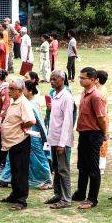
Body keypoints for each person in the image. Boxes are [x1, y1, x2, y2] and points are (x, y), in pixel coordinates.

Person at [0, 79, 36, 210]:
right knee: (15, 170)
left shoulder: (23, 103)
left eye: (12, 89)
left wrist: (22, 127)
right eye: (9, 88)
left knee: (21, 171)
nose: (9, 91)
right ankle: (15, 195)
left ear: (20, 91)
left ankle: (21, 200)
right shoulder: (15, 101)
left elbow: (31, 121)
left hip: (20, 141)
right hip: (13, 142)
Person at [72, 68, 107, 209]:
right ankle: (80, 192)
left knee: (93, 167)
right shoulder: (84, 93)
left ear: (92, 80)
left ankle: (92, 198)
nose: (80, 80)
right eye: (80, 77)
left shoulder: (96, 96)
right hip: (83, 133)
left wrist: (104, 134)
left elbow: (101, 118)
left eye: (83, 78)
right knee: (82, 165)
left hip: (93, 134)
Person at [46, 70, 75, 209]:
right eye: (51, 79)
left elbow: (68, 122)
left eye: (55, 79)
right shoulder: (55, 95)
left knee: (63, 170)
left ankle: (66, 199)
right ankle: (58, 194)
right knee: (56, 169)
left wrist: (62, 143)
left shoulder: (67, 97)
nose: (52, 82)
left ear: (62, 80)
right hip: (54, 138)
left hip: (61, 141)